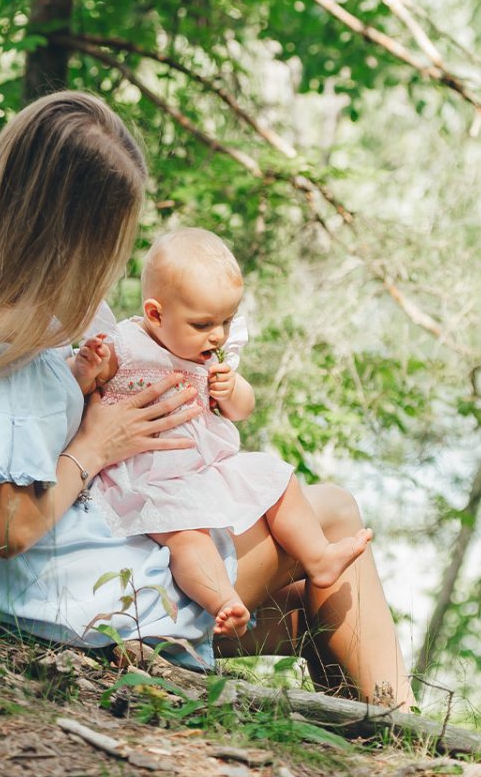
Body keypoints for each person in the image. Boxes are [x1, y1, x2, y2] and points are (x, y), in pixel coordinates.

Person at [0, 90, 409, 705]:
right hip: (53, 588)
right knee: (332, 513)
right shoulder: (4, 340)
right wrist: (96, 443)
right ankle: (406, 736)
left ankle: (387, 736)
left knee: (313, 610)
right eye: (111, 233)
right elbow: (7, 527)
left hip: (64, 560)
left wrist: (86, 389)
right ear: (72, 228)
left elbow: (26, 435)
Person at [71, 228, 372, 639]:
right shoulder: (129, 345)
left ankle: (318, 557)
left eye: (227, 321)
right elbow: (89, 383)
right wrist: (88, 368)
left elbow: (241, 409)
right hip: (151, 478)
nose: (217, 335)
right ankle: (222, 601)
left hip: (205, 466)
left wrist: (232, 390)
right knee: (188, 538)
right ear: (156, 314)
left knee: (277, 477)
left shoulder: (206, 353)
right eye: (203, 324)